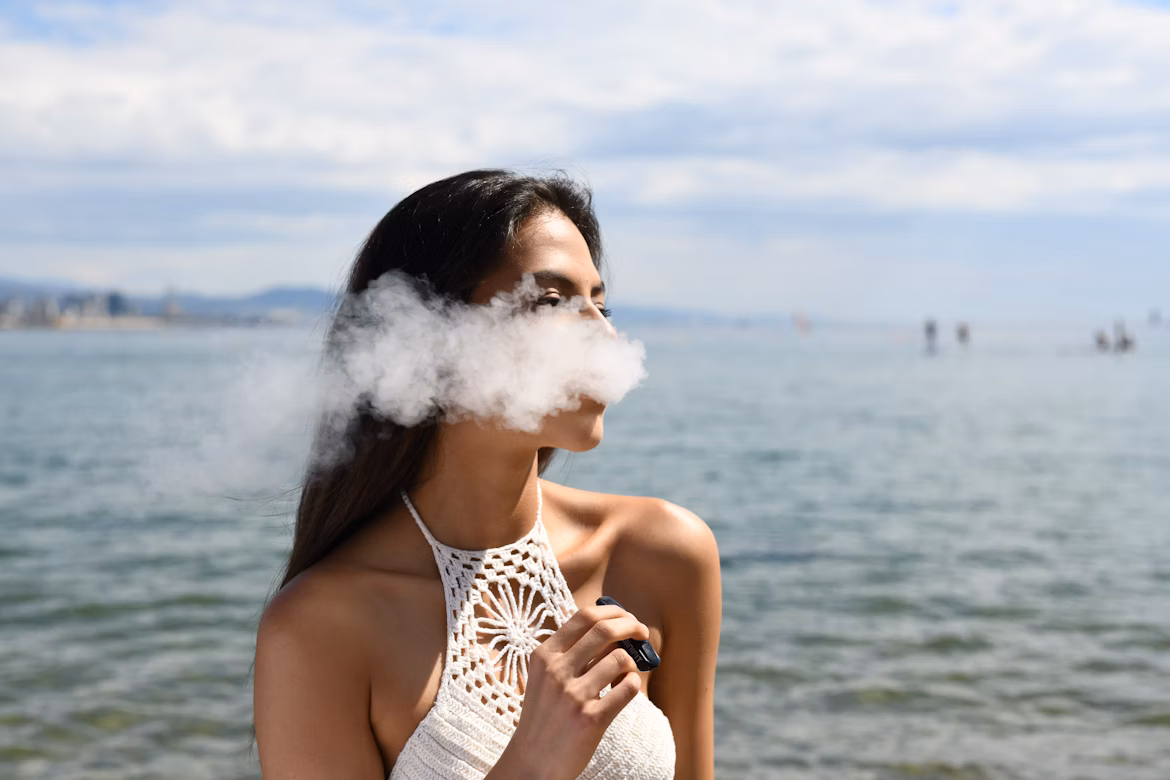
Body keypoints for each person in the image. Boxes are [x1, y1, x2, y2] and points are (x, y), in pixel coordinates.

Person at [253, 170, 722, 779]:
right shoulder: (318, 628)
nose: (604, 336)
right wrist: (533, 762)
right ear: (424, 338)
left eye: (601, 305)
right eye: (550, 302)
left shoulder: (665, 551)